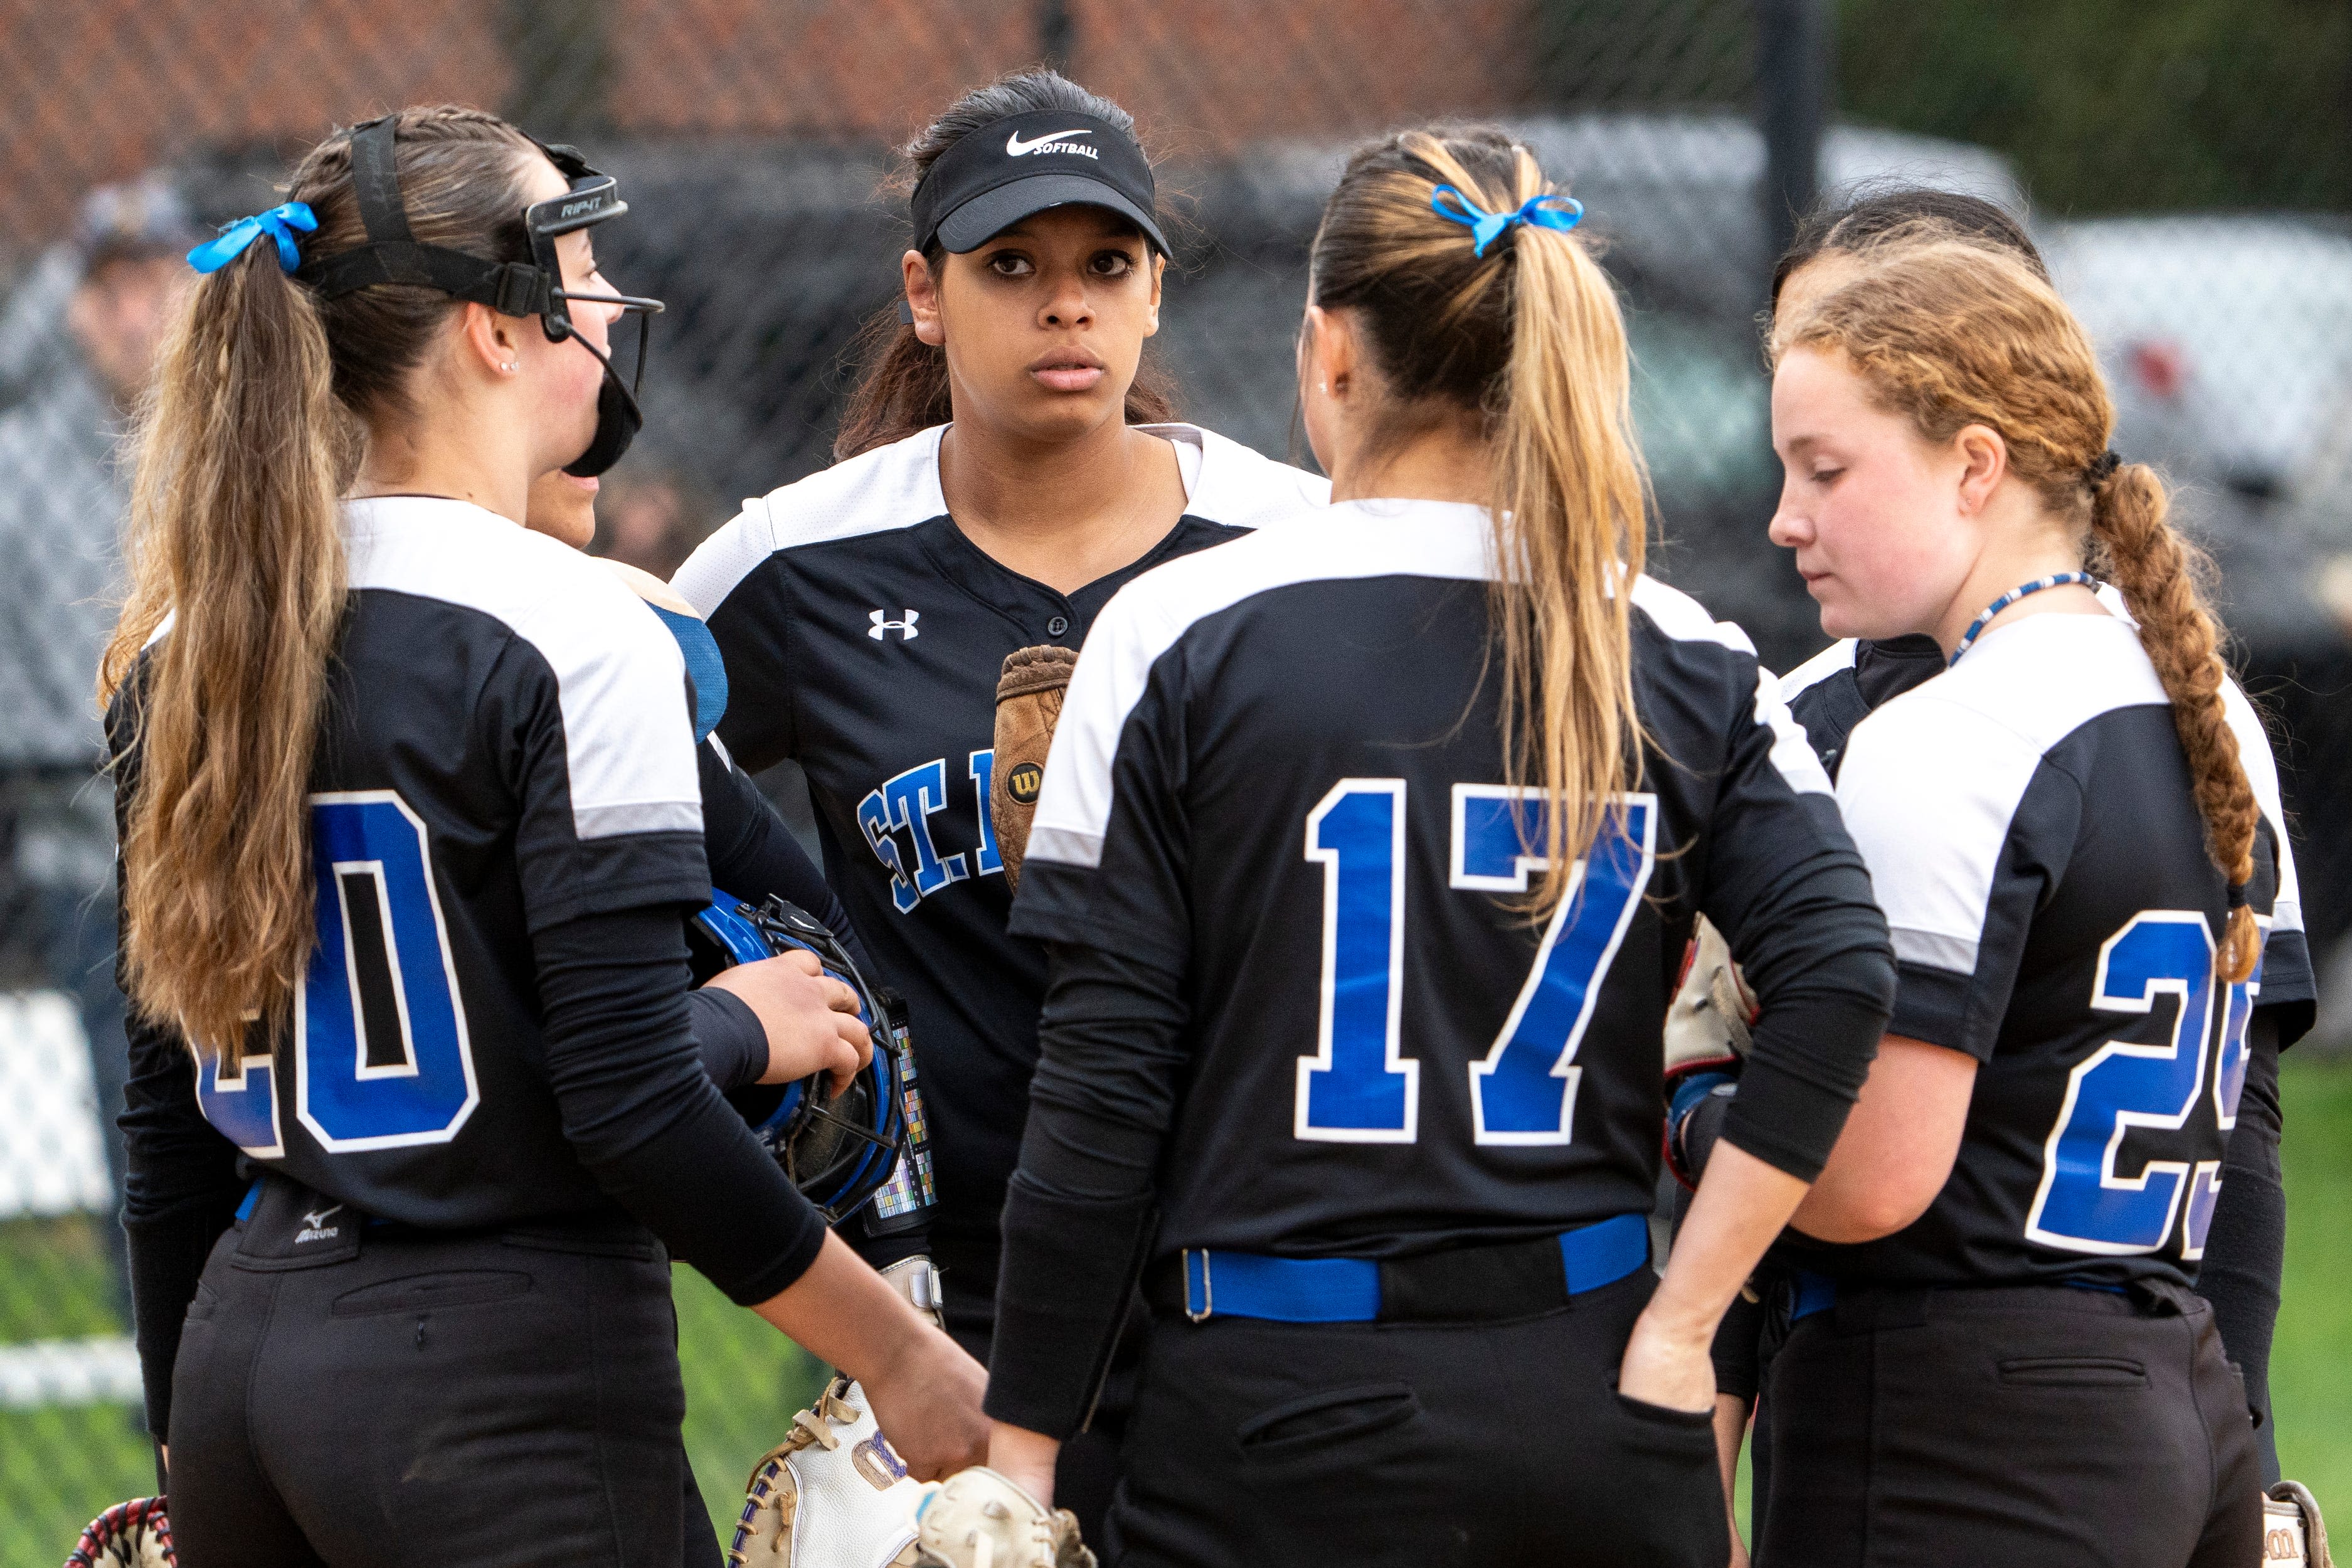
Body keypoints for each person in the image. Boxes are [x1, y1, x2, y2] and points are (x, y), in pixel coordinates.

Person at [970, 125, 1897, 1567]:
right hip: (1594, 1405)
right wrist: (1685, 1316)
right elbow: (1841, 970)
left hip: (1275, 1413)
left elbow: (1099, 1096)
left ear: (1331, 352)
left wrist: (1020, 1458)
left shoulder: (1172, 635)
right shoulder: (1677, 646)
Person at [103, 104, 984, 1568]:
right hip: (491, 1367)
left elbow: (164, 1127)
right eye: (576, 265)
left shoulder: (188, 639)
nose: (603, 305)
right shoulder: (571, 628)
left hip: (242, 1342)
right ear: (491, 331)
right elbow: (627, 1099)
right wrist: (898, 1346)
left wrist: (190, 1444)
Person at [672, 68, 1328, 1527]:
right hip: (953, 1295)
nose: (1065, 305)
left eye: (1106, 264)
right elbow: (619, 796)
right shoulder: (797, 564)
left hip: (1254, 1264)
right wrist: (753, 994)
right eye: (1011, 265)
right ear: (926, 291)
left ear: (1156, 291)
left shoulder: (1290, 544)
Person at [1692, 193, 2319, 1559]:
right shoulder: (2205, 698)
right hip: (2172, 1383)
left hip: (1964, 1416)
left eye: (1827, 469)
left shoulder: (1944, 737)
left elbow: (1866, 1183)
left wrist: (1686, 1100)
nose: (1788, 519)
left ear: (1977, 465)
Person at [0, 176, 195, 1312]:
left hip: (238, 846)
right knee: (141, 1130)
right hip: (90, 869)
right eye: (106, 290)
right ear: (72, 309)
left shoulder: (226, 442)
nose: (131, 315)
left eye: (152, 284)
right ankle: (159, 1409)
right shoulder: (21, 471)